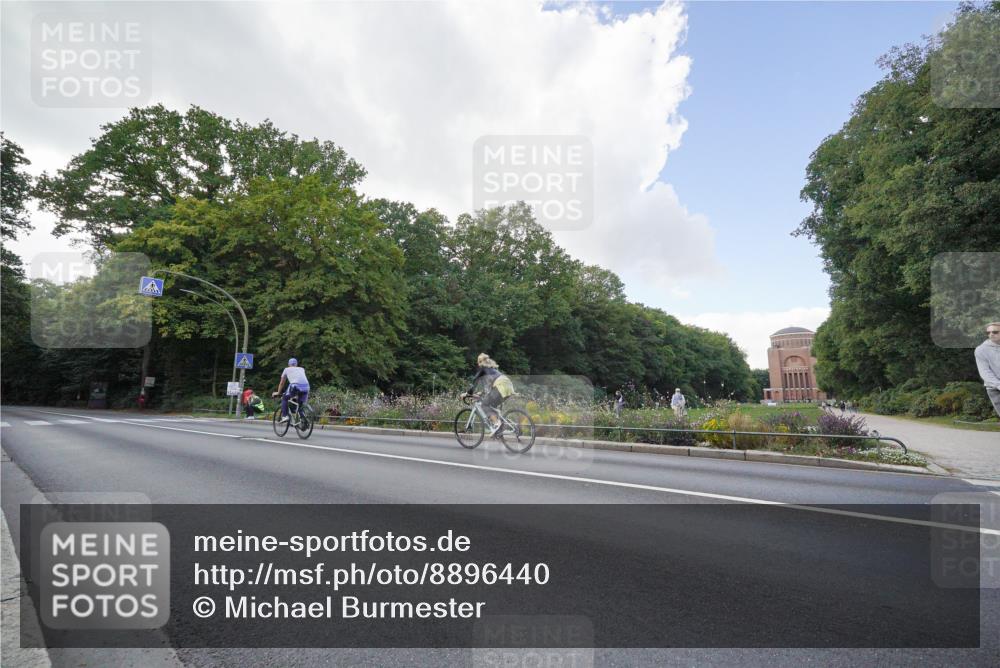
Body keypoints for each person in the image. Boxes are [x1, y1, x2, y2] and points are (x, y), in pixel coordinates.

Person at [464, 353, 515, 435]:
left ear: (480, 362)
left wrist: (467, 393)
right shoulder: (492, 369)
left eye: (478, 362)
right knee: (491, 406)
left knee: (484, 405)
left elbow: (474, 383)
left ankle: (497, 424)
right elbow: (490, 387)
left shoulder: (482, 369)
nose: (478, 364)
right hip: (508, 385)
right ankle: (503, 427)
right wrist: (481, 393)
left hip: (500, 386)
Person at [272, 358, 310, 423]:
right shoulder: (301, 369)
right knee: (299, 404)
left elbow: (282, 383)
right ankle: (303, 419)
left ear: (288, 364)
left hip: (295, 386)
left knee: (284, 398)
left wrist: (278, 392)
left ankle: (284, 416)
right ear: (296, 364)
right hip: (306, 387)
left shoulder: (286, 369)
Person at [975, 322, 1000, 419]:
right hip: (994, 388)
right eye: (988, 333)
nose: (991, 334)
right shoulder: (981, 350)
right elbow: (985, 372)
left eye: (995, 332)